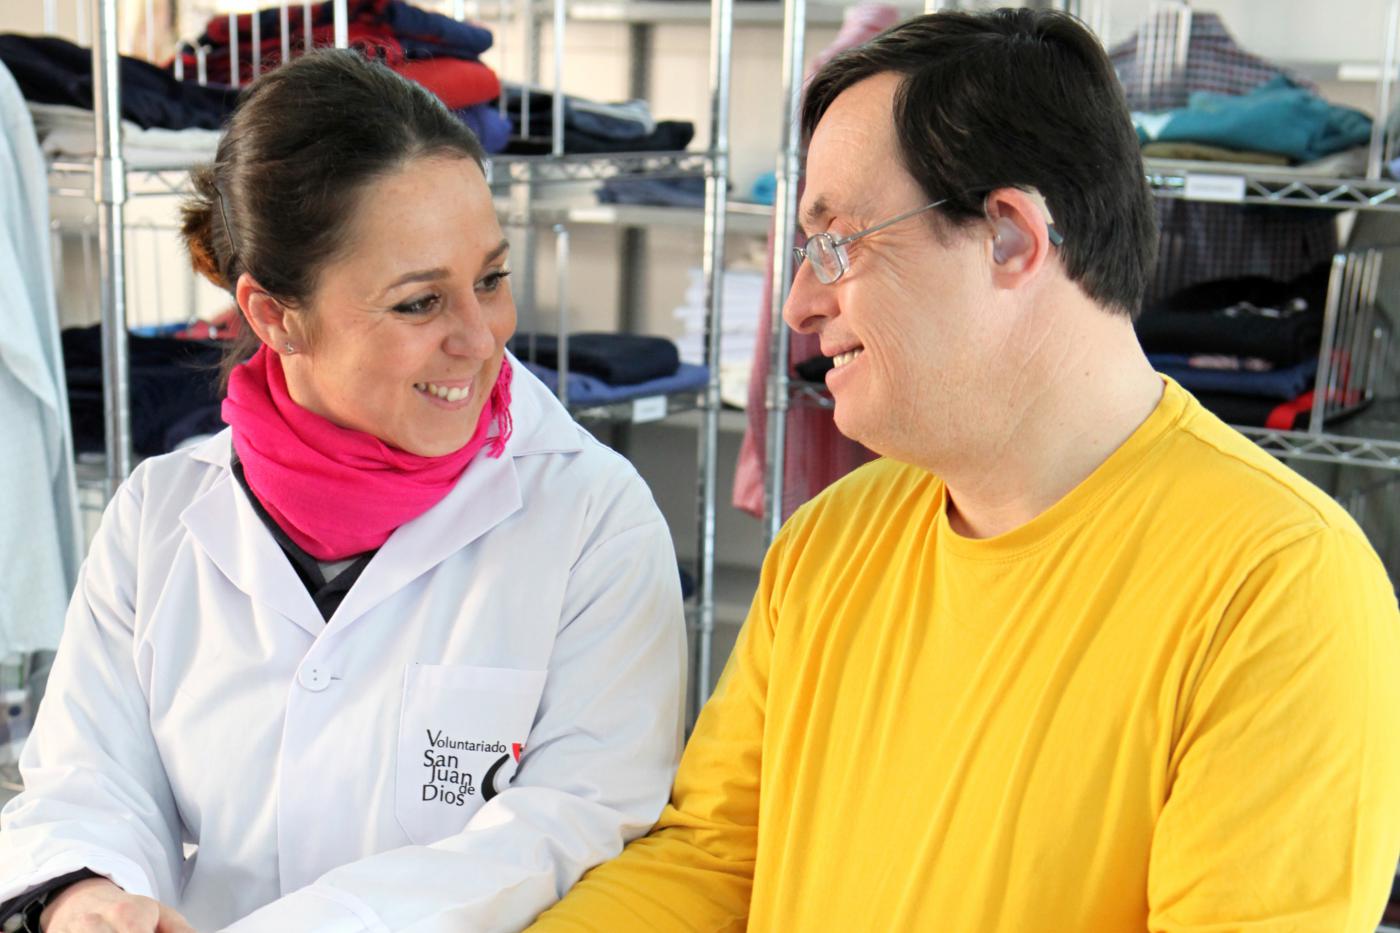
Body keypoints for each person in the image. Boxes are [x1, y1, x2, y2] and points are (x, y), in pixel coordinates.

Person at [528, 9, 1400, 932]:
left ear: (1012, 237)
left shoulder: (1281, 587)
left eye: (838, 242)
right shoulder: (830, 541)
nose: (797, 303)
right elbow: (709, 865)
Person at [0, 50, 686, 933]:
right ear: (273, 315)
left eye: (490, 278)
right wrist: (86, 894)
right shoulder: (159, 514)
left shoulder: (594, 518)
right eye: (418, 304)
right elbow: (90, 774)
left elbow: (578, 821)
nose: (480, 339)